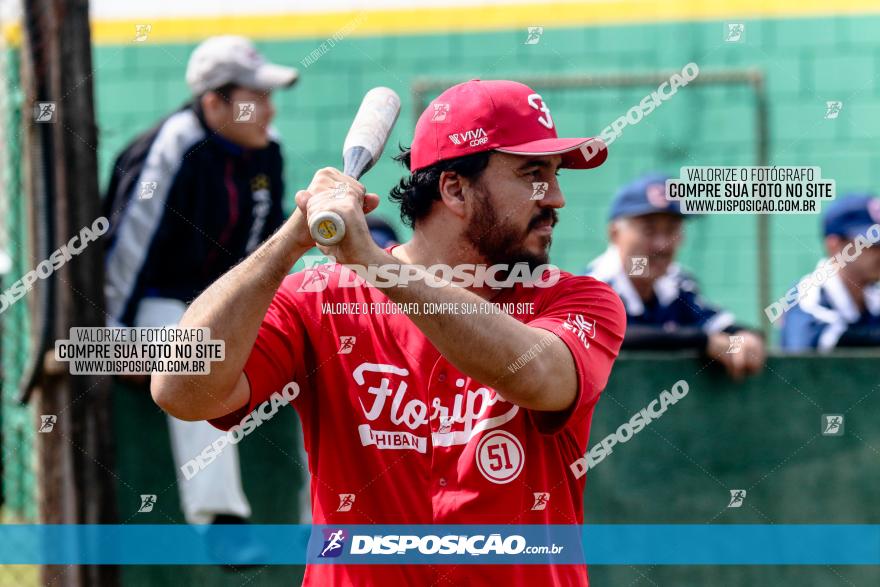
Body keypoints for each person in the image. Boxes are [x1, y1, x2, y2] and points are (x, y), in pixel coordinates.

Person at [152, 79, 625, 585]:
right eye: (533, 174)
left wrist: (374, 265)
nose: (556, 197)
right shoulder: (319, 299)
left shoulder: (580, 300)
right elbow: (180, 388)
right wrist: (291, 238)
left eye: (553, 175)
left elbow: (537, 376)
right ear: (455, 189)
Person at [103, 35, 297, 548]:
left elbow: (265, 250)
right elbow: (128, 249)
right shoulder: (171, 147)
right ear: (214, 102)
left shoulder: (266, 152)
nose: (269, 109)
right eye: (257, 97)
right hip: (156, 302)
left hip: (222, 298)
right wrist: (111, 333)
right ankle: (220, 520)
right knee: (193, 356)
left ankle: (320, 522)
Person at [587, 172, 765, 380]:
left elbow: (718, 325)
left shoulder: (677, 282)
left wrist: (746, 337)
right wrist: (703, 341)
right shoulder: (594, 286)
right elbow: (615, 336)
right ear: (614, 234)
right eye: (648, 230)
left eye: (672, 230)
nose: (661, 245)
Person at [780, 194, 880, 351]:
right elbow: (812, 344)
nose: (878, 252)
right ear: (835, 245)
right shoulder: (807, 294)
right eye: (872, 243)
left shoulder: (874, 296)